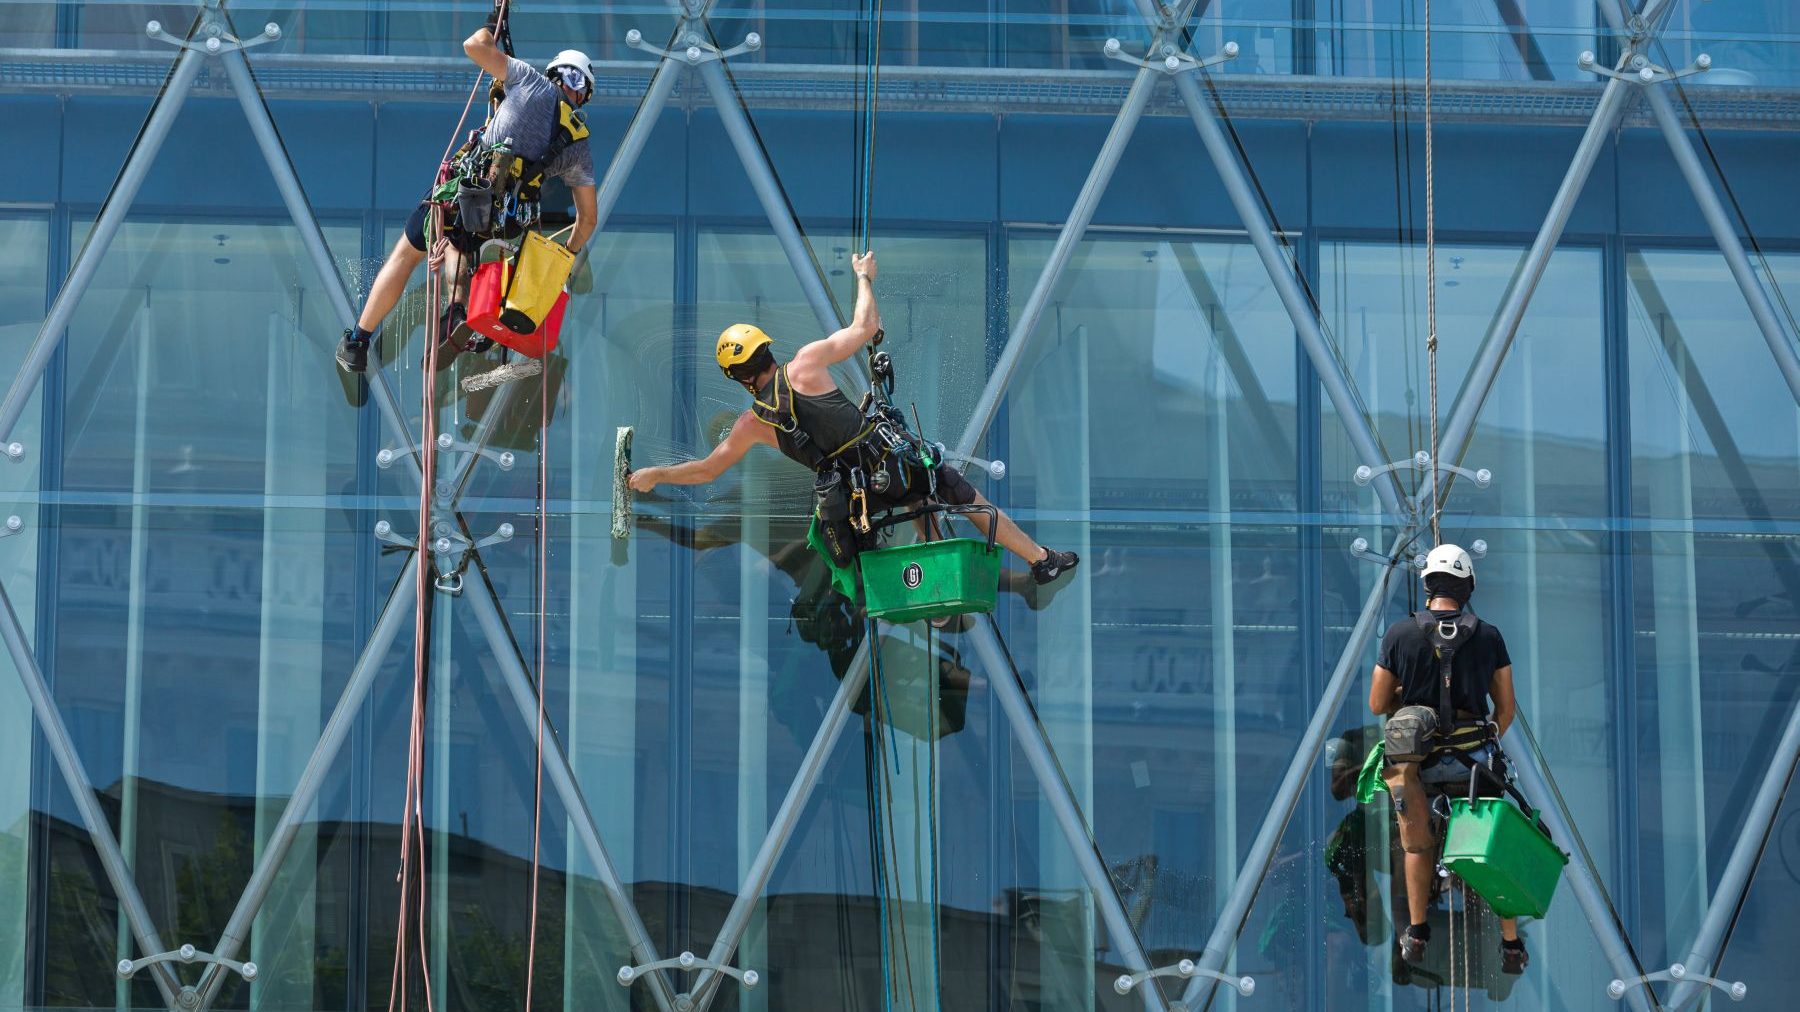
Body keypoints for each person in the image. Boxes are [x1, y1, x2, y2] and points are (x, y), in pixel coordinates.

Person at [627, 250, 1080, 588]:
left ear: (739, 379)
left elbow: (707, 470)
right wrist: (864, 278)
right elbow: (866, 327)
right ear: (768, 350)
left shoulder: (751, 424)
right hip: (891, 465)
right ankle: (1040, 559)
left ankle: (934, 599)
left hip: (860, 498)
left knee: (917, 502)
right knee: (964, 497)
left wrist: (652, 475)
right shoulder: (804, 365)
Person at [335, 2, 599, 376]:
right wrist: (564, 261)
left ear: (553, 73)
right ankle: (467, 317)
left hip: (468, 194)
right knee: (470, 247)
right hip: (508, 221)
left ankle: (358, 342)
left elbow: (473, 46)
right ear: (584, 94)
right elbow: (587, 220)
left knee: (408, 255)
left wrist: (492, 25)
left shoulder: (527, 79)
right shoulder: (579, 143)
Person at [1367, 543, 1527, 975]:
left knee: (1416, 846)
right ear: (1468, 586)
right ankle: (1511, 944)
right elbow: (1506, 709)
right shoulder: (1489, 636)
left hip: (1415, 765)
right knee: (1492, 850)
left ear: (1426, 589)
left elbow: (1377, 702)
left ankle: (1417, 933)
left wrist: (1411, 696)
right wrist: (1483, 732)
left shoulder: (1399, 634)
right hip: (1474, 763)